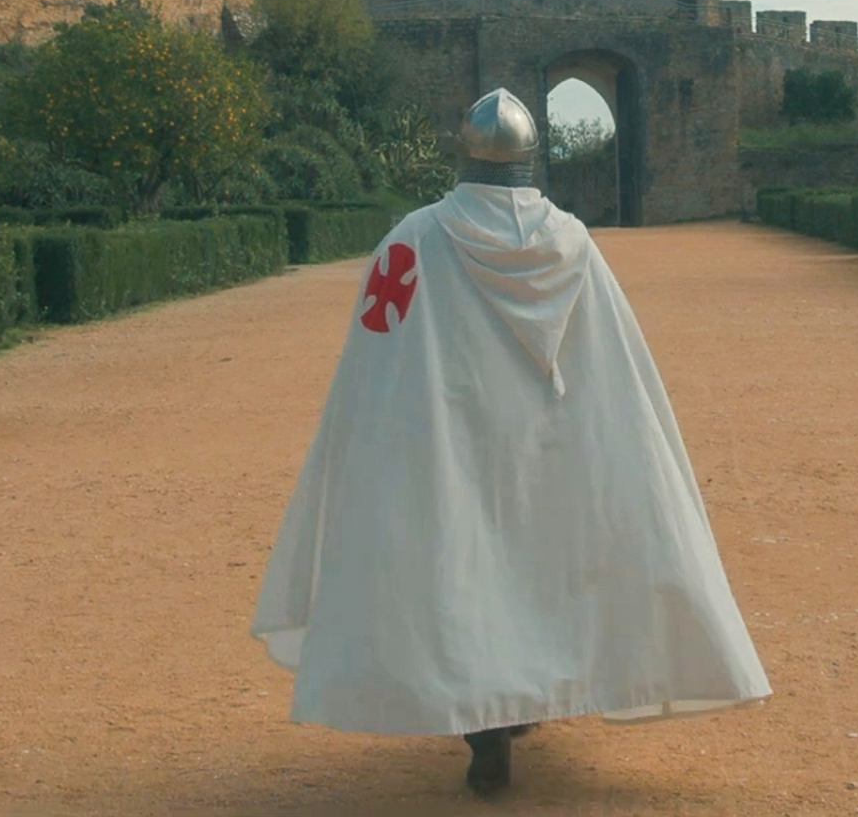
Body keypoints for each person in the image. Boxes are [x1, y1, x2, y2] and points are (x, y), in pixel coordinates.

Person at [251, 88, 770, 796]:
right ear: (531, 157)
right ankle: (522, 704)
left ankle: (487, 727)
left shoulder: (414, 238)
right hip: (550, 440)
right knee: (542, 564)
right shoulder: (572, 243)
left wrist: (387, 437)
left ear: (465, 149)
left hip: (452, 435)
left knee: (466, 568)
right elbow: (614, 365)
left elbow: (378, 360)